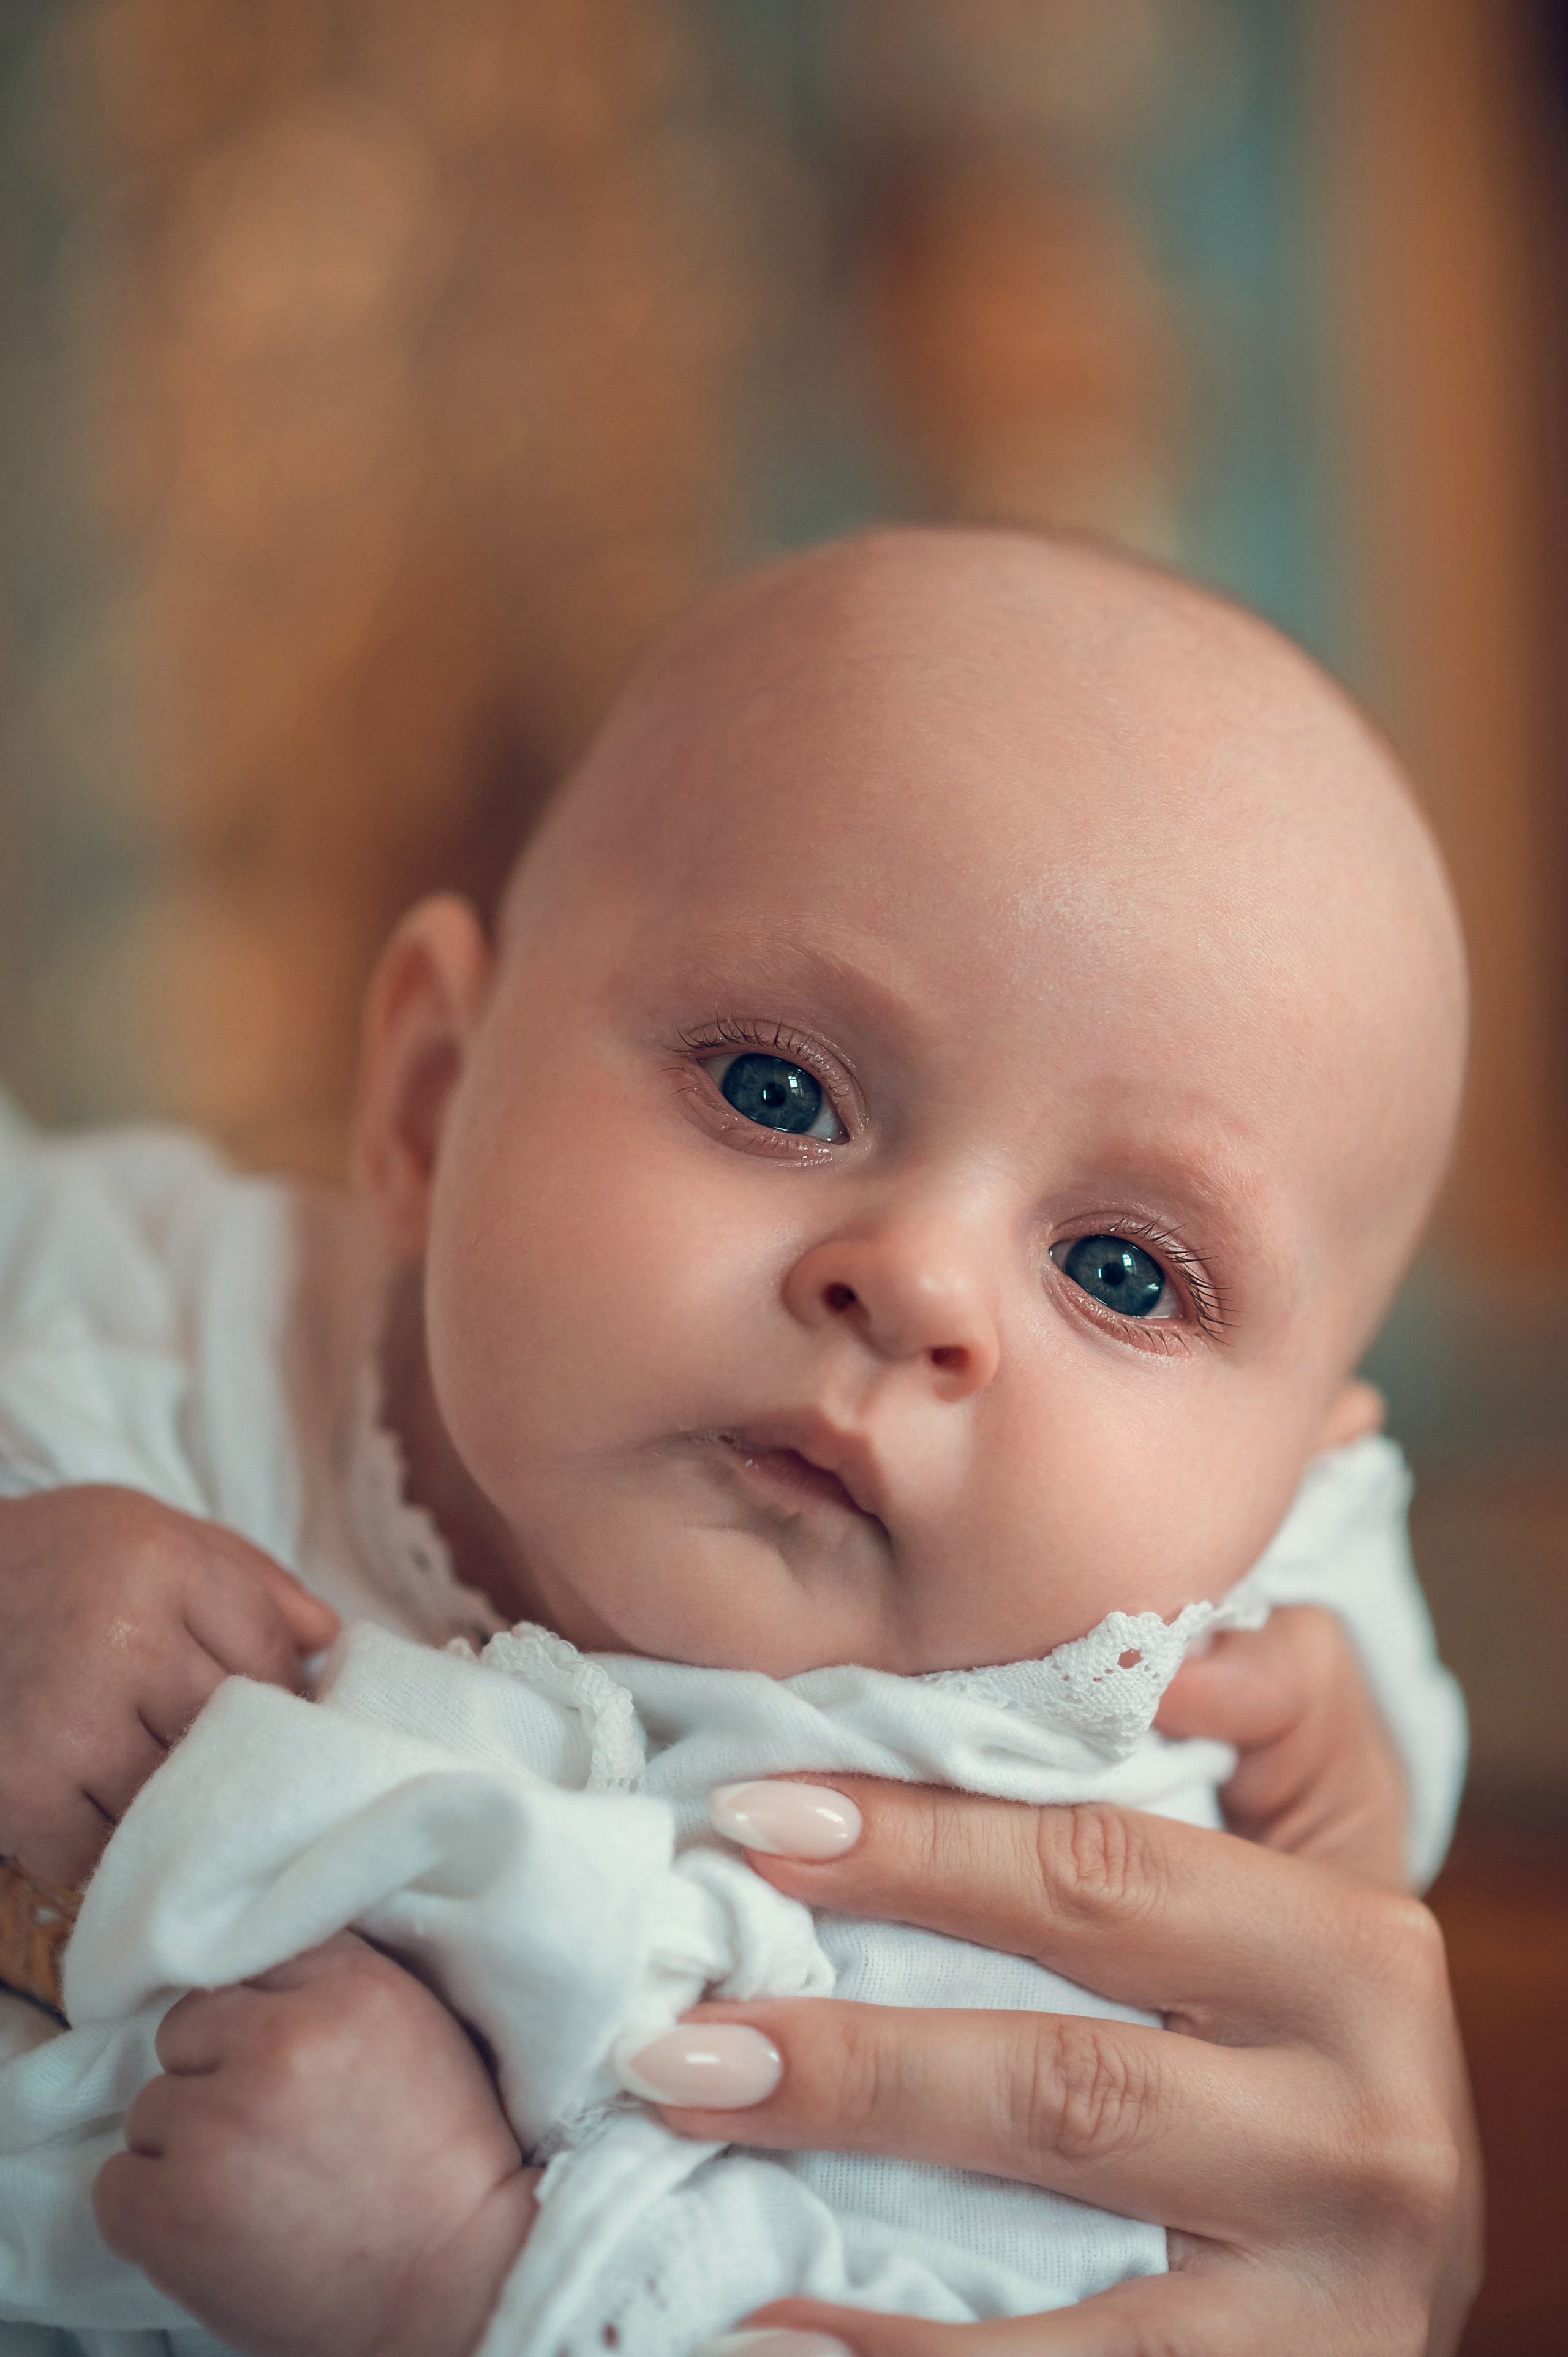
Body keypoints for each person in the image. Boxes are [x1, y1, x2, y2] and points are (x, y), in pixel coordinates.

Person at [0, 529, 1473, 2352]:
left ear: (1285, 1496)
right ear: (429, 1102)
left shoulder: (1095, 1902)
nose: (920, 1280)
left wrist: (462, 2284)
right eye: (780, 1091)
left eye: (1119, 1270)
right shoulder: (140, 1309)